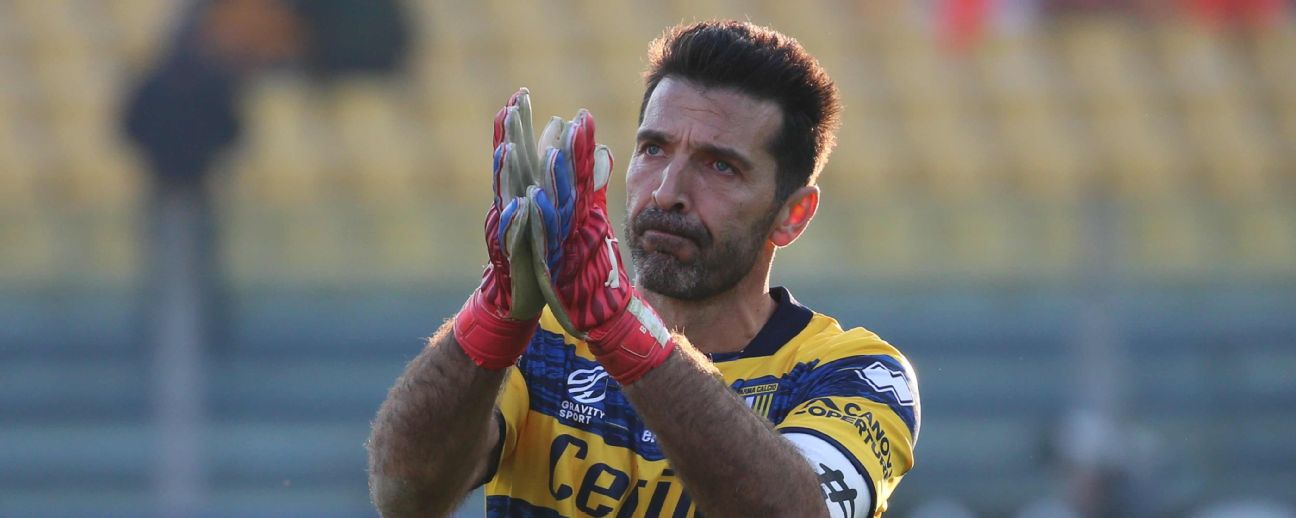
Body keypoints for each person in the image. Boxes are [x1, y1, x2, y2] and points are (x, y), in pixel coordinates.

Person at [367, 20, 920, 518]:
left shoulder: (855, 373)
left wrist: (623, 333)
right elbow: (406, 495)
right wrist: (494, 316)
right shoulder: (540, 341)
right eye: (654, 149)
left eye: (720, 166)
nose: (668, 191)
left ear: (792, 215)